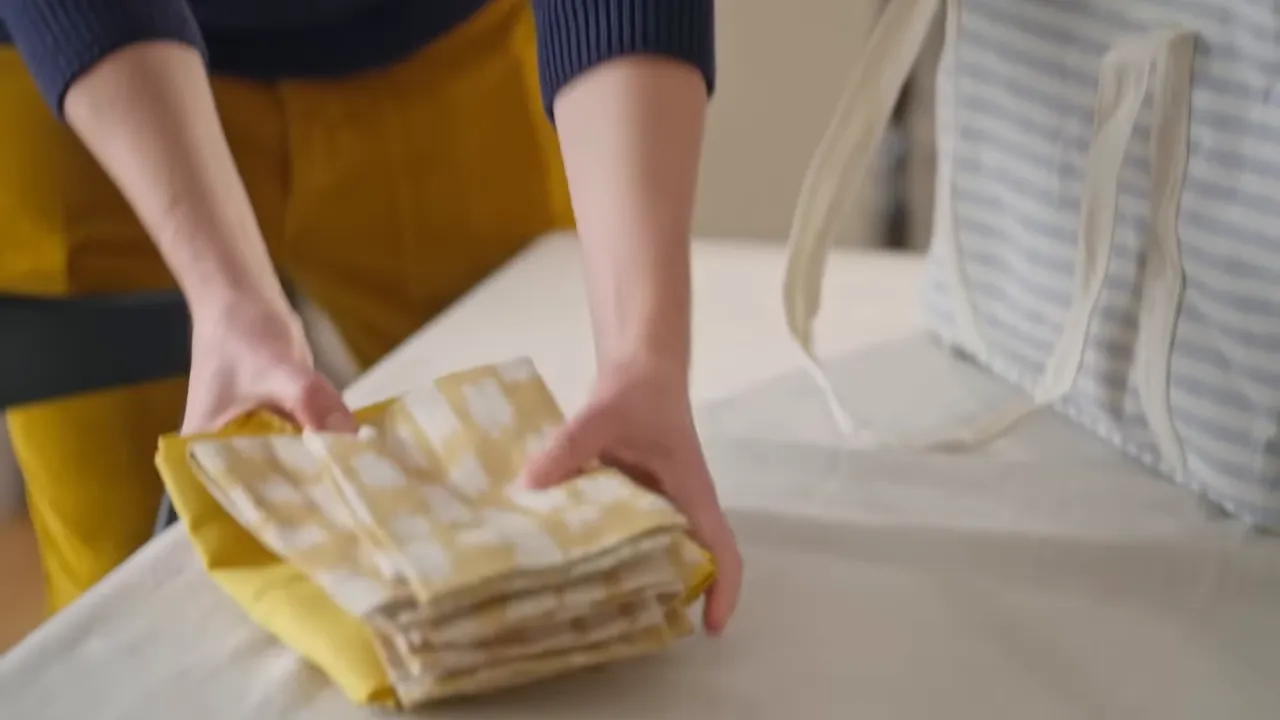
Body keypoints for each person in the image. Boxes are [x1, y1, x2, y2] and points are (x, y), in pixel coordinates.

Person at [0, 0, 741, 632]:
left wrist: (645, 355)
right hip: (95, 81)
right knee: (136, 611)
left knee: (550, 534)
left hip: (436, 50)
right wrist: (227, 298)